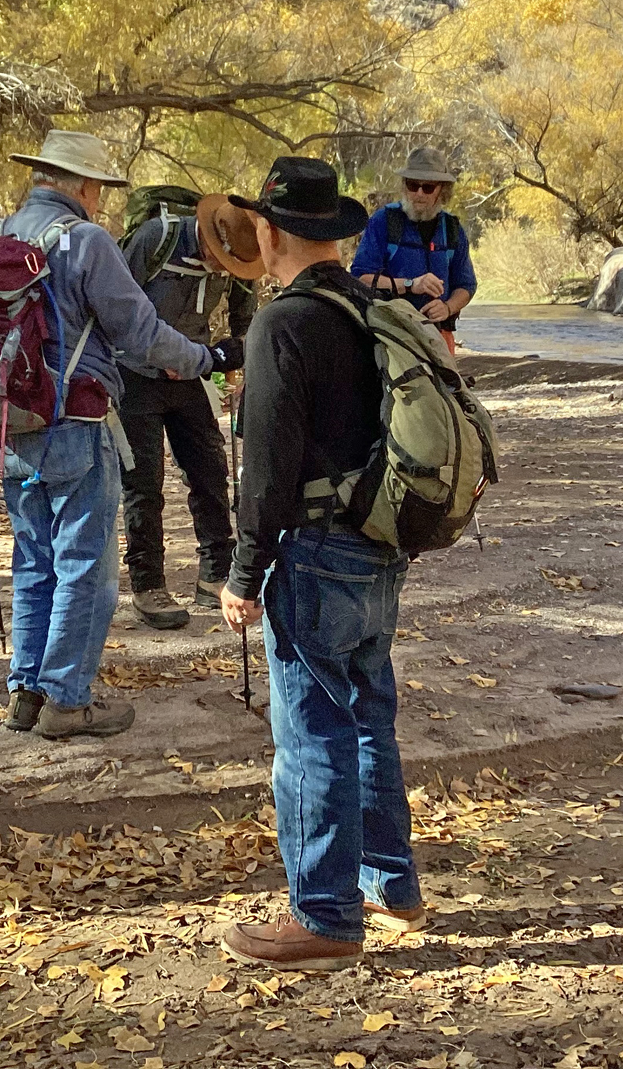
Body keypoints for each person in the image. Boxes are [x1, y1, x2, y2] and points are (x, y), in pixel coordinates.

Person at [218, 156, 424, 972]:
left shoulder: (283, 324)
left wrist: (241, 573)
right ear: (334, 233)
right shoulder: (368, 308)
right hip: (381, 544)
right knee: (369, 716)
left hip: (315, 552)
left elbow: (265, 470)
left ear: (269, 232)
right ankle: (392, 887)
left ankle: (326, 918)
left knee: (309, 735)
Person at [0, 131, 239, 740]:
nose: (101, 200)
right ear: (81, 185)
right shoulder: (85, 241)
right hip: (75, 418)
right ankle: (68, 702)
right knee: (85, 566)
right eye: (98, 187)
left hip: (7, 419)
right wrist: (205, 358)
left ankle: (27, 693)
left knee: (33, 560)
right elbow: (141, 332)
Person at [117, 194, 261, 630]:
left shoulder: (238, 258)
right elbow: (115, 303)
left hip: (193, 373)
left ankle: (215, 574)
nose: (225, 269)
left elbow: (244, 315)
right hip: (135, 374)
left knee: (210, 471)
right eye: (221, 260)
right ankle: (148, 585)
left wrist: (242, 363)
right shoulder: (154, 240)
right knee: (143, 483)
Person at [351, 145, 476, 354]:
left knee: (445, 388)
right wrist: (411, 284)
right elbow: (360, 277)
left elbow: (466, 285)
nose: (419, 193)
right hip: (391, 336)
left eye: (428, 187)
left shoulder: (452, 229)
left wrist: (447, 308)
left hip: (438, 339)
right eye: (412, 185)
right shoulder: (383, 222)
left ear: (441, 191)